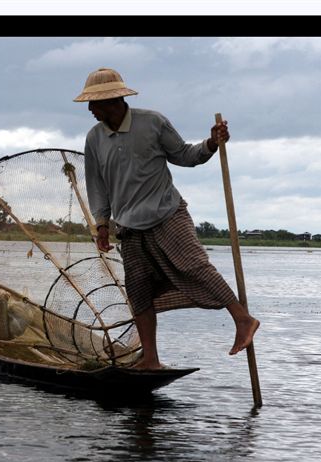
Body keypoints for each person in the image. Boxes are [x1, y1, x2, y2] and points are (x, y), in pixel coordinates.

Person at [73, 67, 260, 370]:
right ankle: (151, 359)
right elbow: (97, 186)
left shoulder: (152, 123)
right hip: (130, 225)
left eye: (94, 104)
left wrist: (211, 143)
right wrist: (102, 224)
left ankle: (243, 319)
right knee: (138, 290)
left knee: (194, 265)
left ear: (112, 101)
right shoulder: (95, 138)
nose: (91, 110)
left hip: (166, 213)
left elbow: (185, 155)